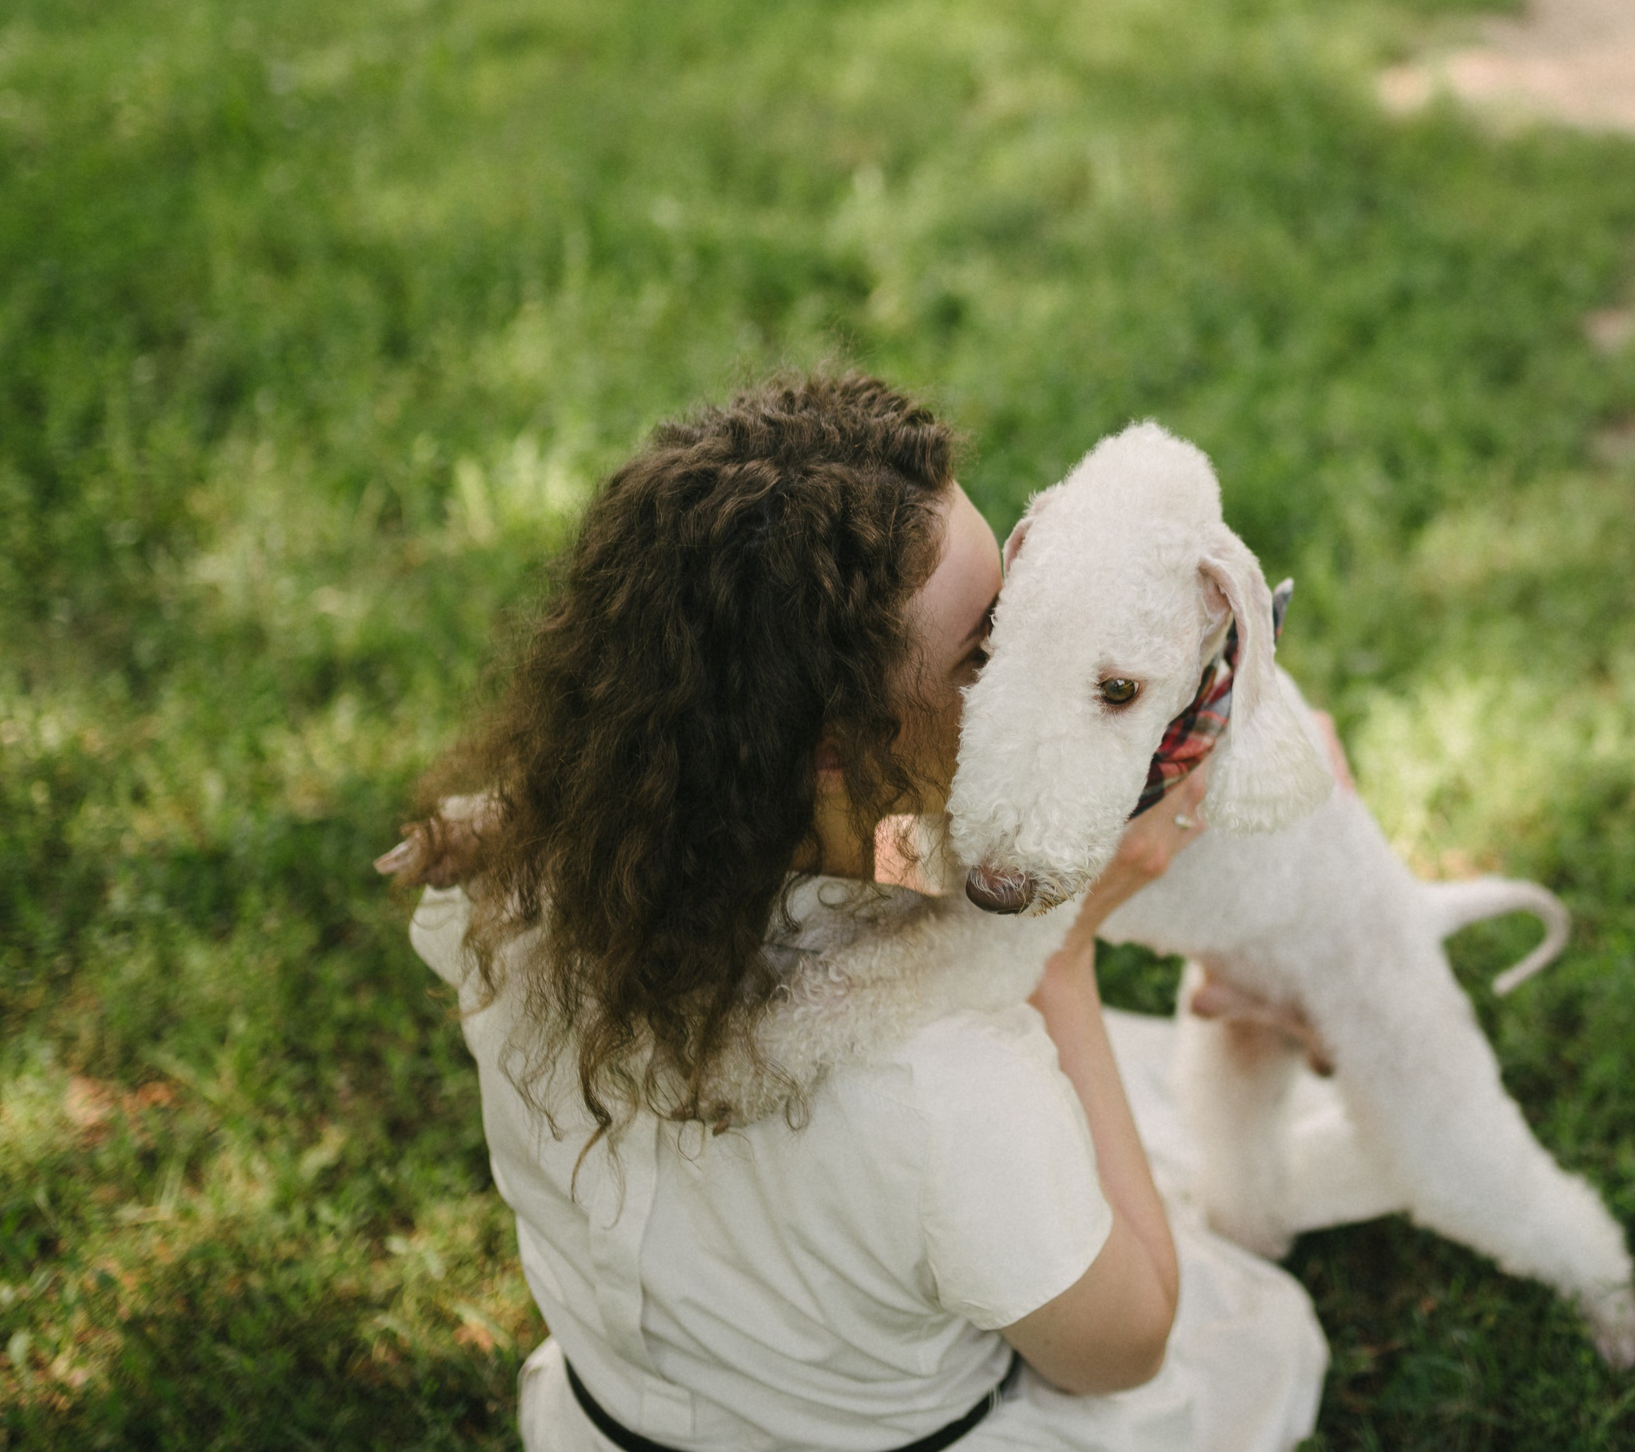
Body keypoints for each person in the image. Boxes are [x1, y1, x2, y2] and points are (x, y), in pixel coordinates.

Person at [385, 373, 1331, 1452]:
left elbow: (876, 849)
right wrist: (1057, 954)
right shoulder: (953, 1086)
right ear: (840, 748)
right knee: (1243, 1329)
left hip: (606, 1420)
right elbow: (1128, 1344)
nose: (1024, 665)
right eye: (986, 650)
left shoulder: (528, 883)